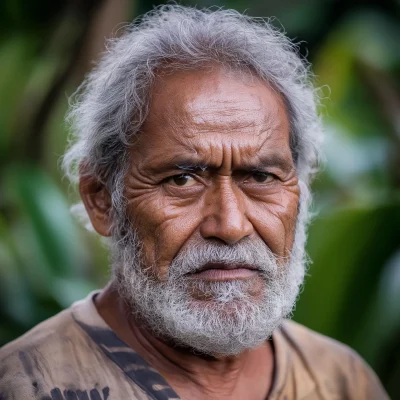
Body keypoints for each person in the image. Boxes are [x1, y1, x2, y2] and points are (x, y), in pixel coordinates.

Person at [0, 5, 388, 400]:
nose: (231, 225)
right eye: (182, 179)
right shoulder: (23, 385)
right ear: (102, 200)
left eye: (260, 177)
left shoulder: (343, 380)